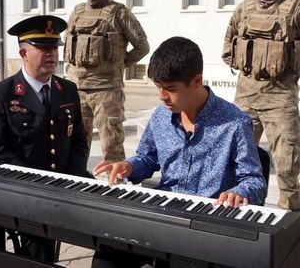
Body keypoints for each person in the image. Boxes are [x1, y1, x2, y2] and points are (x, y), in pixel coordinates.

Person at [92, 36, 266, 267]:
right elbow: (149, 157)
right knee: (106, 256)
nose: (162, 96)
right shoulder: (160, 115)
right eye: (158, 87)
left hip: (205, 225)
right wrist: (131, 166)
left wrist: (239, 191)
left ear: (197, 81)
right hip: (162, 215)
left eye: (170, 89)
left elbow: (254, 180)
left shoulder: (235, 123)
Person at [0, 15, 90, 263]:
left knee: (112, 222)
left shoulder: (67, 90)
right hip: (26, 190)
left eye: (54, 48)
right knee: (40, 242)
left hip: (67, 180)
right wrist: (39, 185)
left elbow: (79, 139)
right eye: (42, 48)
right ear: (23, 53)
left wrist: (73, 177)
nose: (51, 54)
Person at [222, 0, 300, 211]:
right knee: (236, 158)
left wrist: (288, 72)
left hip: (280, 97)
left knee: (287, 162)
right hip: (245, 95)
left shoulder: (295, 11)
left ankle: (288, 222)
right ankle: (239, 213)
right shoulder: (243, 9)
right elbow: (227, 49)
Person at [64, 0, 149, 164]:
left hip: (106, 91)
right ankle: (77, 183)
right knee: (76, 144)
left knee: (112, 146)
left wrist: (121, 64)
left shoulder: (118, 13)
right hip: (77, 90)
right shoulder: (77, 12)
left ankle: (115, 186)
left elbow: (142, 46)